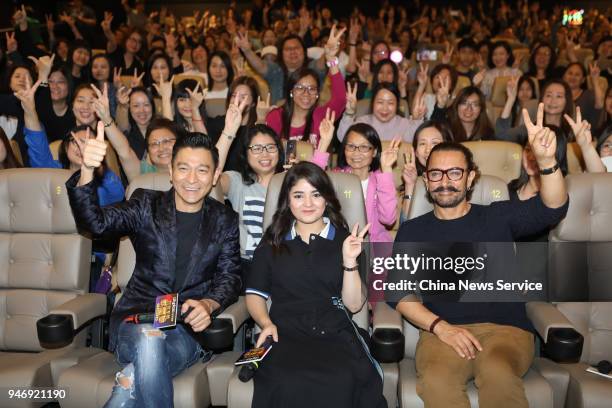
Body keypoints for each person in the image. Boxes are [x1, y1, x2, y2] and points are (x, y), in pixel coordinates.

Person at [391, 106, 569, 407]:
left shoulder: (498, 216)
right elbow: (399, 292)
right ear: (426, 179)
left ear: (471, 177)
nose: (444, 181)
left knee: (496, 372)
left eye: (455, 172)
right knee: (436, 381)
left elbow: (554, 207)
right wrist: (440, 327)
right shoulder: (412, 231)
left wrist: (548, 162)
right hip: (441, 333)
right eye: (435, 173)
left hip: (506, 332)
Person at [66, 127, 241, 408]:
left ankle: (127, 385)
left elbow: (230, 276)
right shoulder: (145, 204)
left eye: (202, 171)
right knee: (149, 340)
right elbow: (95, 224)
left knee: (132, 381)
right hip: (136, 322)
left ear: (215, 177)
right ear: (171, 172)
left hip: (186, 331)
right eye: (183, 169)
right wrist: (87, 170)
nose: (192, 179)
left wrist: (209, 304)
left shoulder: (225, 219)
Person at [245, 161, 386, 408]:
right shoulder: (272, 243)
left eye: (316, 194)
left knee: (342, 378)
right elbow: (254, 295)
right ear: (287, 200)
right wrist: (265, 323)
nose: (308, 204)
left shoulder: (347, 241)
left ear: (327, 199)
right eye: (299, 195)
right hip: (285, 334)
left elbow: (353, 305)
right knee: (286, 382)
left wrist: (349, 261)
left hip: (335, 332)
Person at [339, 82, 422, 143]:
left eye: (390, 103)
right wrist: (349, 113)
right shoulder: (362, 123)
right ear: (373, 103)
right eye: (380, 102)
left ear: (397, 105)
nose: (385, 108)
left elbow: (419, 140)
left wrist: (417, 120)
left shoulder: (405, 125)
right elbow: (343, 137)